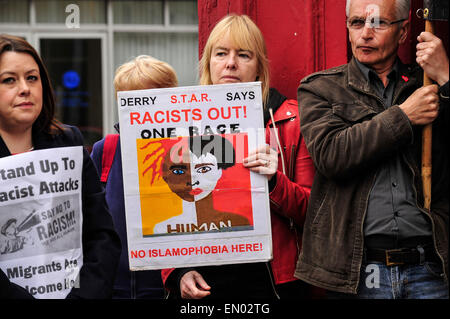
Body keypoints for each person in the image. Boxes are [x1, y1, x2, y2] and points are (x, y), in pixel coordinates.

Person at [296, 0, 449, 299]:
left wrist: (446, 77)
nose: (365, 33)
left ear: (403, 32)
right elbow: (331, 155)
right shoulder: (321, 89)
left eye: (378, 23)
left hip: (430, 268)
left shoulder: (426, 85)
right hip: (360, 272)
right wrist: (404, 116)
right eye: (356, 23)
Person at [161, 14, 315, 299]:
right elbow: (161, 205)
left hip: (269, 280)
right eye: (221, 53)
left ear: (258, 68)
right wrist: (177, 271)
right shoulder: (179, 121)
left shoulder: (290, 119)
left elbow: (312, 209)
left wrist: (273, 181)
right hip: (203, 278)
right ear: (208, 62)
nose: (230, 63)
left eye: (243, 55)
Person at [0, 34, 121, 299]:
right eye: (9, 80)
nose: (25, 88)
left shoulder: (69, 142)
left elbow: (102, 236)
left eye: (32, 78)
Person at [90, 55, 179, 299]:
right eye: (135, 101)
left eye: (154, 100)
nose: (144, 110)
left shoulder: (184, 152)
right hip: (111, 289)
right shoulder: (105, 150)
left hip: (168, 289)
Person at [153, 134, 251, 234]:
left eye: (204, 169)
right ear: (166, 177)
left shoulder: (238, 222)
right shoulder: (161, 229)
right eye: (179, 171)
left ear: (219, 171)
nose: (192, 181)